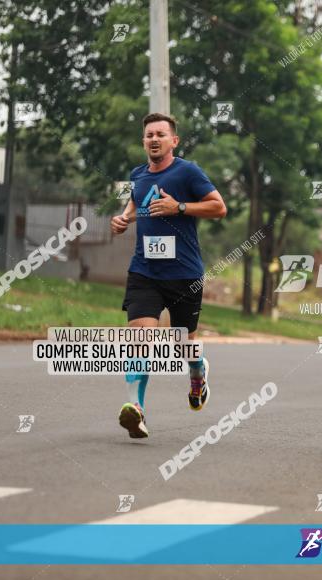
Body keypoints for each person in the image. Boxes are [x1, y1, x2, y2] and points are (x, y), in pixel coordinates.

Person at [110, 113, 227, 438]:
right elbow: (136, 205)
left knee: (183, 345)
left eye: (161, 134)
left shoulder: (187, 171)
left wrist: (180, 207)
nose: (154, 139)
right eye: (149, 135)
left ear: (173, 140)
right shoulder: (138, 175)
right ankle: (135, 408)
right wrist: (123, 219)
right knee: (139, 339)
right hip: (144, 271)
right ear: (144, 141)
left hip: (183, 274)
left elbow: (219, 208)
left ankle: (198, 370)